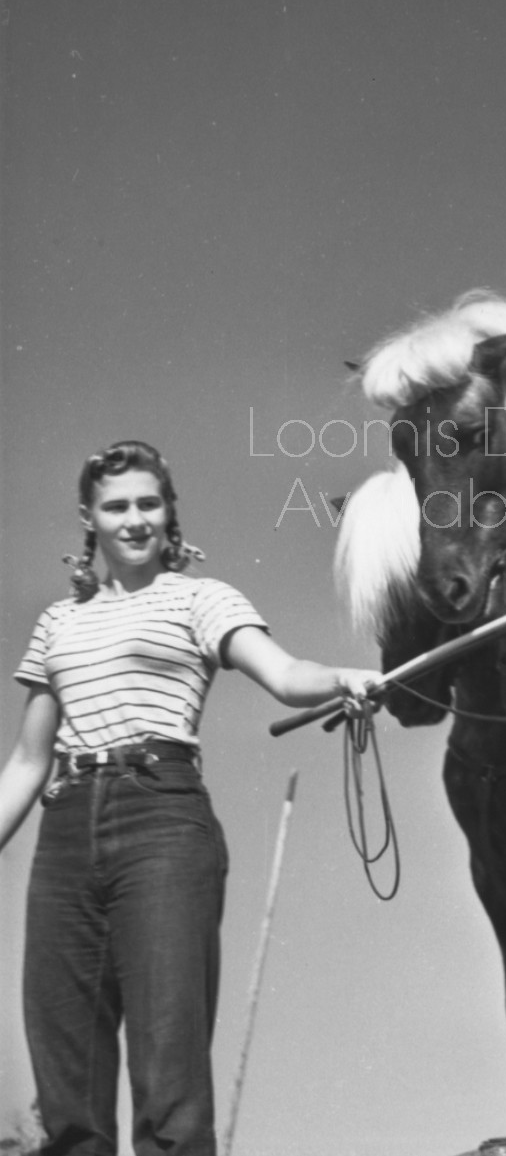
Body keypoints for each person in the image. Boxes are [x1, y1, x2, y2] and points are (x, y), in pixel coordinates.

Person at [0, 440, 381, 1156]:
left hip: (162, 816)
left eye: (150, 502)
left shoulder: (203, 598)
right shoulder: (57, 622)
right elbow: (27, 759)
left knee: (168, 1064)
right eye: (118, 506)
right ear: (90, 518)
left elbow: (286, 672)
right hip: (66, 823)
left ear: (170, 512)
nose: (135, 519)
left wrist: (345, 678)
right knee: (65, 1070)